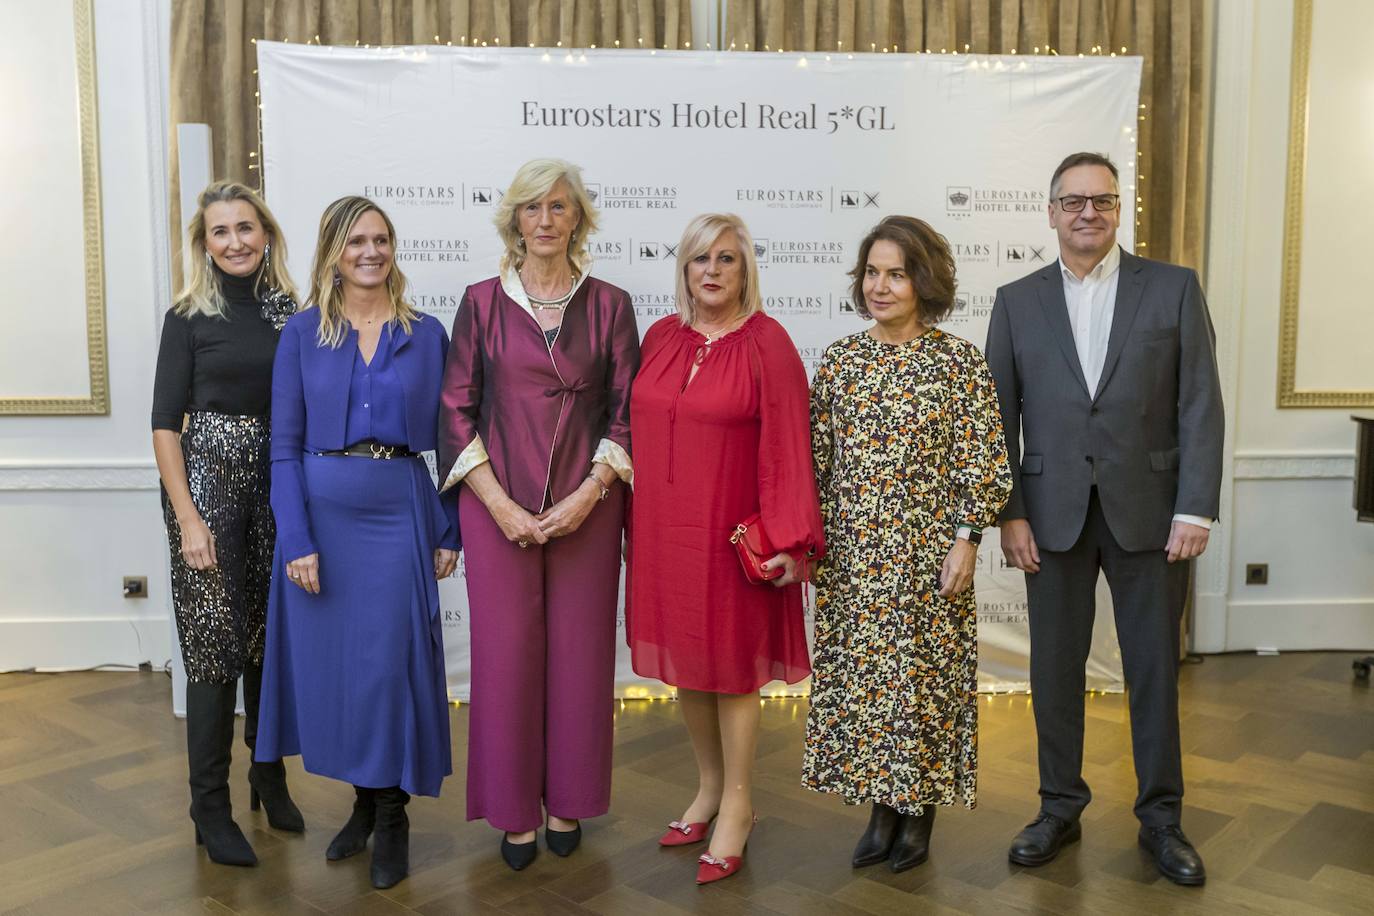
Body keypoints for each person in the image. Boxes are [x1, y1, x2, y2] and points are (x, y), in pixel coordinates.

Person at [984, 152, 1224, 886]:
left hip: (1153, 517)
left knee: (1152, 670)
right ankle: (1058, 807)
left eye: (1103, 200)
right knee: (1054, 672)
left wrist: (1196, 507)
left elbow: (1200, 405)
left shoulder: (1174, 289)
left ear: (1120, 210)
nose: (1089, 212)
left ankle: (1162, 820)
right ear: (1051, 212)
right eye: (1074, 201)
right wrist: (1009, 517)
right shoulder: (1017, 300)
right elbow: (998, 421)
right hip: (1049, 518)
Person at [438, 158, 639, 871]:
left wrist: (589, 497)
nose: (546, 220)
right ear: (514, 221)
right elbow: (456, 411)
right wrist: (498, 506)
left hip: (590, 513)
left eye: (559, 207)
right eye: (533, 208)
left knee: (581, 661)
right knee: (504, 661)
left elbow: (626, 413)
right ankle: (515, 813)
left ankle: (567, 802)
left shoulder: (611, 304)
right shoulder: (482, 301)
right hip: (497, 515)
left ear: (577, 218)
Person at [254, 196, 459, 889]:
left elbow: (456, 443)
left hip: (399, 511)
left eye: (381, 240)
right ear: (333, 254)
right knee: (342, 673)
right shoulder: (302, 334)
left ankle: (393, 814)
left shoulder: (426, 334)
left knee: (390, 667)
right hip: (323, 522)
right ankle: (363, 806)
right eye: (355, 242)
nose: (370, 252)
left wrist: (448, 525)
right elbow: (282, 449)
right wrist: (297, 541)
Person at [802, 216, 1011, 872]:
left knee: (922, 688)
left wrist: (967, 540)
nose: (880, 286)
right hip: (855, 559)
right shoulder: (840, 361)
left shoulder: (958, 362)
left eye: (895, 273)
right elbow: (815, 463)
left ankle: (919, 814)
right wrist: (807, 544)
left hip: (929, 558)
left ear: (923, 280)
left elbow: (984, 460)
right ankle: (879, 808)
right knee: (867, 687)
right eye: (872, 272)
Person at [627, 212, 824, 886]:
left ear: (746, 270)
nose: (712, 270)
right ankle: (708, 789)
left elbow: (791, 447)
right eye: (699, 258)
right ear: (683, 269)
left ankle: (739, 805)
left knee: (734, 670)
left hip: (732, 534)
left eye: (727, 259)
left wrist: (793, 541)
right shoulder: (659, 337)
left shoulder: (769, 343)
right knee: (690, 664)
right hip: (664, 532)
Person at [151, 180, 302, 867]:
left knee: (268, 638)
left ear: (266, 235)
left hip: (278, 479)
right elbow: (163, 426)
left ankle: (266, 774)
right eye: (221, 231)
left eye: (246, 227)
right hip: (206, 481)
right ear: (204, 244)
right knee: (215, 644)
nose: (235, 241)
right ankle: (207, 806)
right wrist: (188, 517)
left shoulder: (292, 312)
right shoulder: (187, 315)